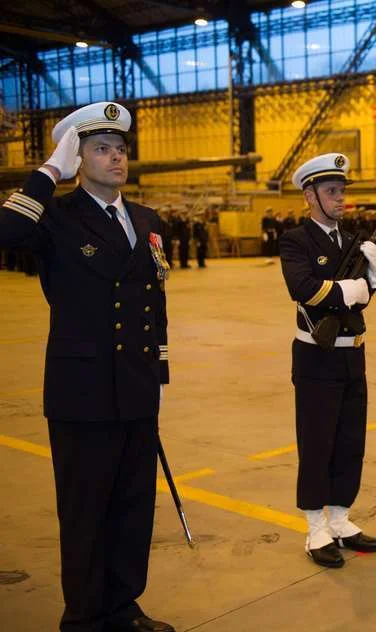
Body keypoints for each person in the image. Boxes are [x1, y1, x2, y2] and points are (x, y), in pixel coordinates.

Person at [0, 102, 174, 632]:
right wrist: (49, 170)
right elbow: (5, 233)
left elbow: (154, 303)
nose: (116, 157)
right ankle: (84, 618)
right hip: (83, 391)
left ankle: (123, 607)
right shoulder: (54, 217)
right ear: (78, 158)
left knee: (131, 508)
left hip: (137, 389)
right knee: (85, 512)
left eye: (120, 149)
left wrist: (159, 373)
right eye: (101, 149)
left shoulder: (146, 220)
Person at [279, 152, 376, 569]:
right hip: (315, 357)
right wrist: (351, 290)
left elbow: (360, 299)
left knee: (349, 442)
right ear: (310, 196)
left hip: (352, 355)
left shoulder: (354, 240)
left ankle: (340, 519)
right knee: (317, 443)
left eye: (342, 191)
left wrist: (371, 283)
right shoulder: (296, 240)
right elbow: (302, 287)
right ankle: (315, 528)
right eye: (331, 192)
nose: (340, 199)